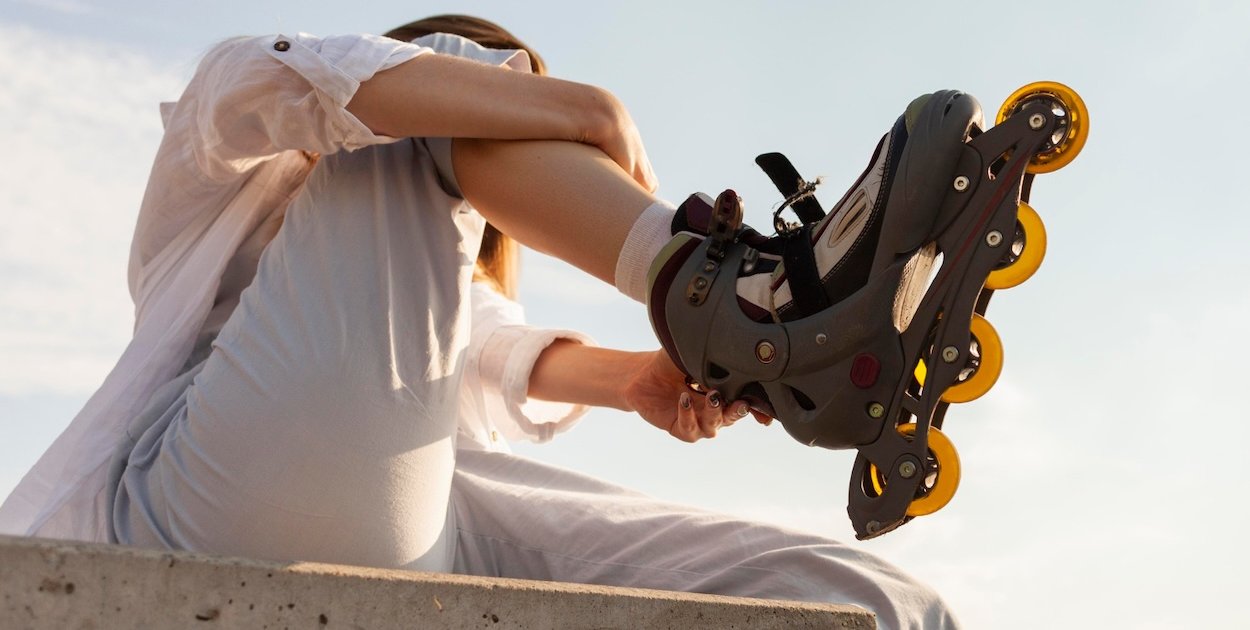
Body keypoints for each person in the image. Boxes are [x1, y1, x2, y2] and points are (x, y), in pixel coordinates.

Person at [0, 14, 958, 629]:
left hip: (426, 528)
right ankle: (748, 294)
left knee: (876, 605)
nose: (524, 132)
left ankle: (764, 319)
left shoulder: (431, 303)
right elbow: (272, 83)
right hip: (191, 504)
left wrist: (645, 379)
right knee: (418, 124)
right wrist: (572, 102)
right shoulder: (246, 172)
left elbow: (499, 354)